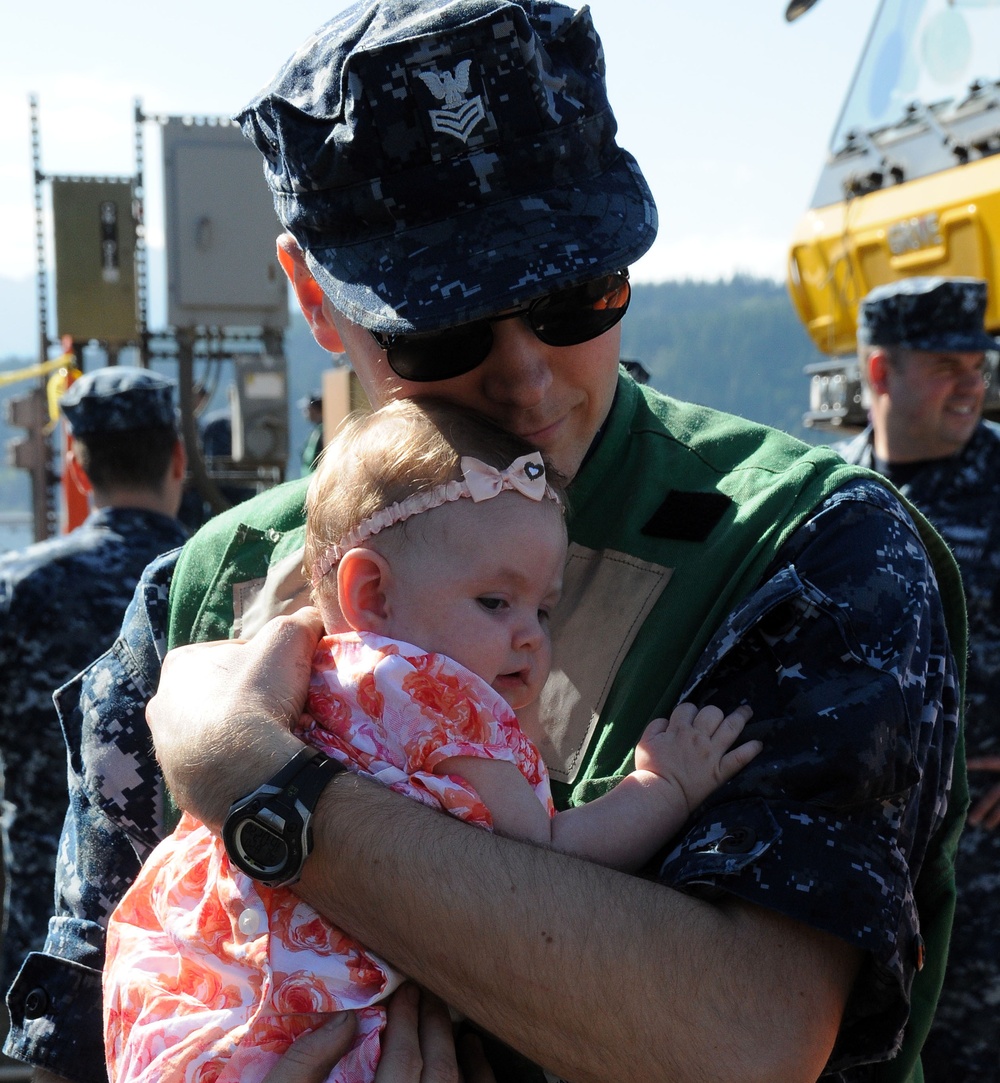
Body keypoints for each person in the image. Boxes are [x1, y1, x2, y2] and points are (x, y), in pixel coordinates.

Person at [4, 3, 968, 1082]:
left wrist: (255, 783)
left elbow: (747, 1036)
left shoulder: (800, 550)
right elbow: (75, 1036)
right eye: (440, 326)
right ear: (314, 299)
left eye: (574, 296)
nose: (524, 376)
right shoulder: (206, 589)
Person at [103, 399, 758, 1083]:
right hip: (326, 1020)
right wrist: (664, 787)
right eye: (495, 602)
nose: (532, 635)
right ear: (374, 594)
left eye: (544, 607)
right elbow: (545, 855)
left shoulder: (309, 673)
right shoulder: (442, 698)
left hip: (203, 999)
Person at [835, 276, 998, 1083]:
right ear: (879, 372)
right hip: (867, 860)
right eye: (947, 365)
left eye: (978, 364)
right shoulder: (832, 496)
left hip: (985, 867)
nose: (973, 383)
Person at [0, 367, 188, 996]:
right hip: (191, 939)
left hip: (49, 929)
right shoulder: (217, 583)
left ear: (79, 473)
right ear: (178, 460)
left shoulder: (18, 586)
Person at [300, 391, 325, 475]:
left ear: (315, 409)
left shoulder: (322, 432)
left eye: (307, 409)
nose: (304, 413)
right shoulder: (317, 431)